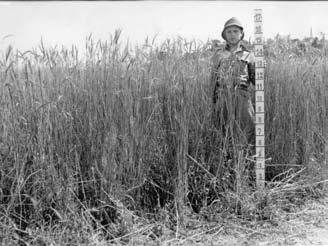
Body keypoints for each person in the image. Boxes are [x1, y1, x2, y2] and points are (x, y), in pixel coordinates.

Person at [211, 17, 256, 152]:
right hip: (223, 97)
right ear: (224, 35)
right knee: (224, 130)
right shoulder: (218, 55)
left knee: (246, 129)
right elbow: (213, 80)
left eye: (235, 31)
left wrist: (261, 69)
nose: (232, 34)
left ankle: (244, 162)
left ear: (241, 34)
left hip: (242, 97)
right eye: (229, 31)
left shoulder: (249, 55)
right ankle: (227, 162)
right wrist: (213, 101)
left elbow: (257, 81)